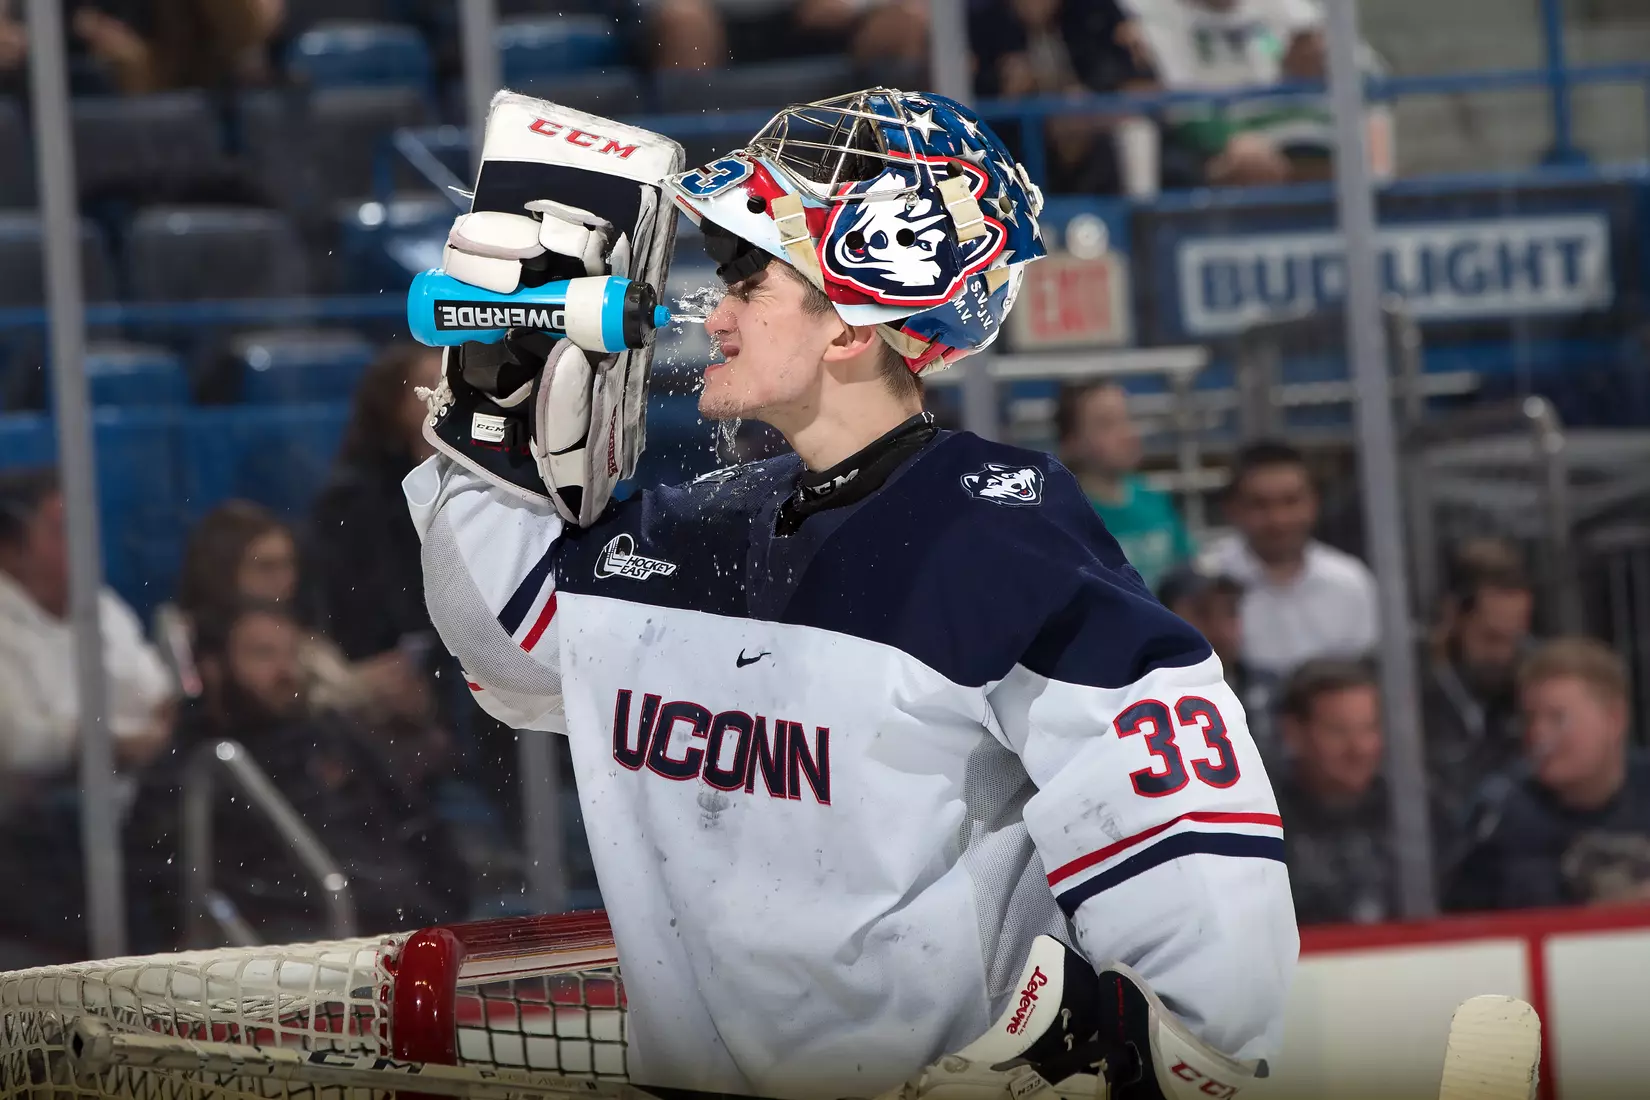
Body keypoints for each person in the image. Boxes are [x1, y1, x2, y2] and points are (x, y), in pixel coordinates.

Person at [407, 88, 1295, 1099]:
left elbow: (1180, 816)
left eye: (751, 278)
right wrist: (493, 406)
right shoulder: (692, 525)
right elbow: (505, 641)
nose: (719, 309)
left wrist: (1192, 1054)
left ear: (848, 331)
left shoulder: (996, 536)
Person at [125, 600, 466, 949]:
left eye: (292, 654)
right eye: (263, 655)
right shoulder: (193, 767)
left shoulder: (332, 734)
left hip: (396, 924)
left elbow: (417, 826)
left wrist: (436, 903)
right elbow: (164, 887)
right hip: (288, 951)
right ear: (212, 668)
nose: (285, 670)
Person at [1448, 638, 1650, 912]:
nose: (1538, 735)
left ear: (1614, 719)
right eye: (1530, 719)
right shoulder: (1498, 815)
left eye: (1558, 718)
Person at [0, 467, 173, 781]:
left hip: (131, 786)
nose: (85, 545)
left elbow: (155, 691)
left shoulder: (103, 607)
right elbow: (16, 744)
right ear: (10, 550)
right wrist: (111, 745)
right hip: (38, 810)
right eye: (62, 531)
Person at [1202, 439, 1379, 679]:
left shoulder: (1351, 581)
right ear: (1231, 509)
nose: (1278, 519)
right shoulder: (1206, 579)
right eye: (1260, 504)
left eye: (1291, 501)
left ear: (1314, 503)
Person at [1422, 537, 1535, 850]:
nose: (1504, 655)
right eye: (1491, 639)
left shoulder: (1531, 684)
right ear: (1452, 616)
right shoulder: (1404, 690)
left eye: (1516, 640)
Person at [1272, 658, 1398, 926]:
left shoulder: (1417, 813)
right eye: (1338, 731)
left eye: (1368, 729)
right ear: (1293, 733)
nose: (1359, 749)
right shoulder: (1262, 824)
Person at [1056, 379, 1195, 591]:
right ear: (1072, 442)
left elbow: (1187, 574)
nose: (1127, 433)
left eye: (1127, 418)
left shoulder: (1154, 499)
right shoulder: (1064, 518)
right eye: (1106, 424)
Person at [1157, 562, 1280, 766]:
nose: (1220, 629)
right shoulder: (1147, 701)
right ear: (1165, 618)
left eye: (1230, 612)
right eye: (1202, 613)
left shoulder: (1270, 688)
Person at [644, 0, 926, 71]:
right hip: (714, 20)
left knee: (904, 23)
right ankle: (690, 170)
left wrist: (853, 4)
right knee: (685, 22)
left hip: (812, 20)